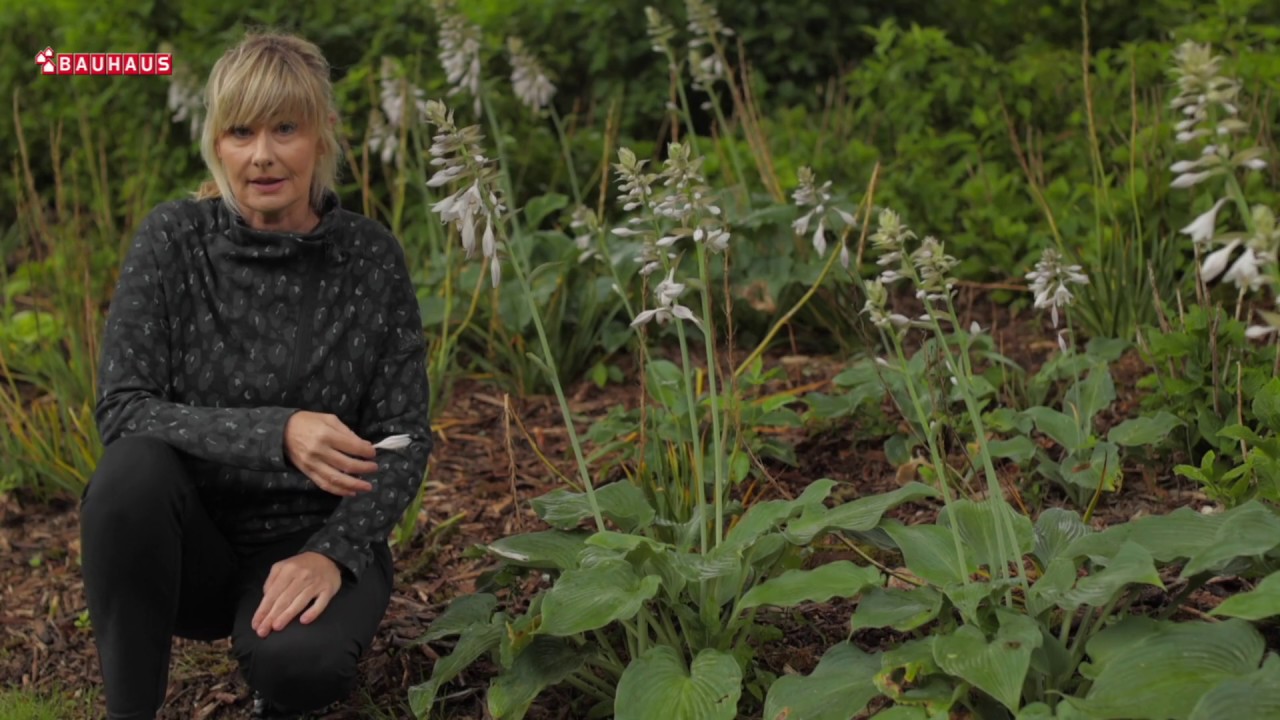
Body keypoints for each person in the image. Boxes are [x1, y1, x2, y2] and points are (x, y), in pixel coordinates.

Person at [80, 31, 432, 720]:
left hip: (311, 539)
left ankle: (279, 682)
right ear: (217, 140)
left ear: (323, 134)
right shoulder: (173, 241)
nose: (262, 154)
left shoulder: (370, 259)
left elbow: (405, 436)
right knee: (129, 474)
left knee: (301, 667)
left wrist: (333, 553)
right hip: (191, 542)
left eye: (285, 128)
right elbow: (124, 409)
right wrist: (279, 433)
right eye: (240, 131)